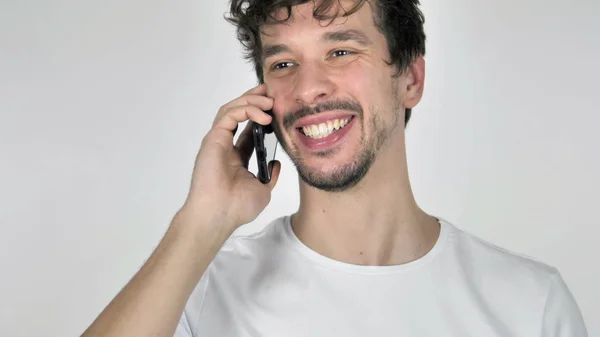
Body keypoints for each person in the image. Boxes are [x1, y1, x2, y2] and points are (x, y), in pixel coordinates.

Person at [81, 0, 588, 336]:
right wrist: (200, 223)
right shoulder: (202, 289)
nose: (307, 89)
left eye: (341, 51)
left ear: (410, 79)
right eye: (283, 64)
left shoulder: (530, 306)